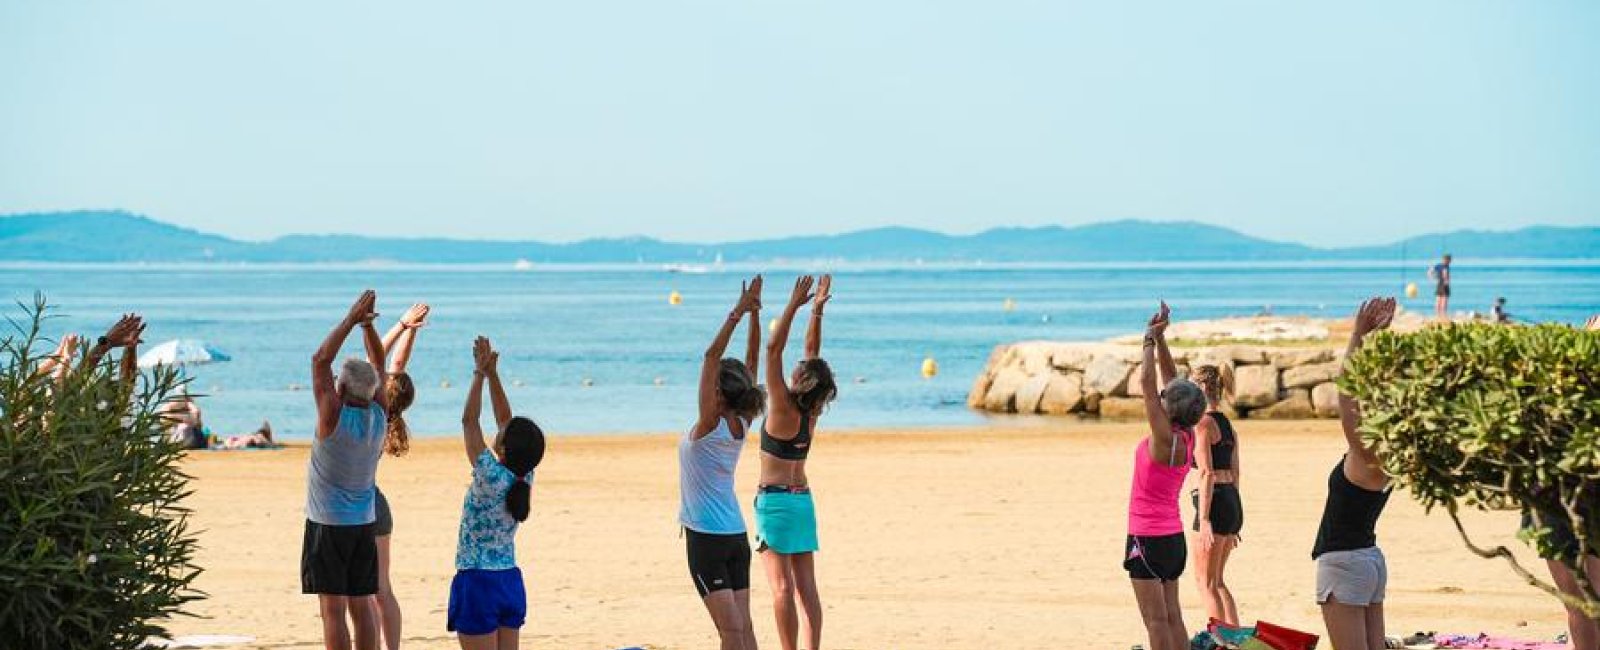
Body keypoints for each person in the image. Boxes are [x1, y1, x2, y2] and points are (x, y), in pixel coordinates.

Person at [303, 290, 391, 650]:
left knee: (332, 610)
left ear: (340, 387)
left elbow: (320, 359)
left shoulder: (332, 417)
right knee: (362, 604)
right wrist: (368, 327)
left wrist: (351, 320)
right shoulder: (379, 416)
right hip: (363, 523)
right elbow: (379, 365)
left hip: (328, 524)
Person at [681, 277, 765, 650]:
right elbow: (750, 365)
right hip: (735, 535)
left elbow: (710, 357)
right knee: (743, 629)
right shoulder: (741, 422)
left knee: (732, 633)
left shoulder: (710, 424)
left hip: (708, 540)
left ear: (717, 392)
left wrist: (739, 312)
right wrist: (754, 315)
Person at [448, 336, 545, 650]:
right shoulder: (524, 474)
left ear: (504, 446)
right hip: (508, 581)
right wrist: (493, 374)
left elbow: (469, 421)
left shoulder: (490, 474)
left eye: (502, 433)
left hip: (477, 581)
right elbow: (506, 420)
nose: (499, 428)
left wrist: (478, 373)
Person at [757, 275, 838, 650]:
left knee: (781, 588)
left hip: (775, 503)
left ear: (800, 379)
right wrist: (817, 310)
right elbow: (811, 353)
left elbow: (773, 351)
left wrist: (793, 305)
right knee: (808, 589)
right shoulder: (811, 413)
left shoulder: (783, 408)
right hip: (803, 499)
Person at [1314, 297, 1397, 650]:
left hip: (1345, 562)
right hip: (1369, 559)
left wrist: (1357, 334)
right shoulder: (1395, 450)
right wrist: (1373, 338)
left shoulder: (1366, 452)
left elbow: (1346, 394)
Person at [1125, 301, 1203, 650]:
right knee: (1173, 618)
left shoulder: (1162, 440)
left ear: (1169, 409)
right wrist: (1161, 339)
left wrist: (1146, 339)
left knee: (1155, 623)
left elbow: (1147, 382)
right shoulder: (1189, 436)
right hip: (1172, 540)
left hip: (1147, 538)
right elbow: (1173, 383)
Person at [371, 302, 430, 650]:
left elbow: (376, 361)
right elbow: (395, 365)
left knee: (361, 592)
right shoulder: (388, 415)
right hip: (379, 506)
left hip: (360, 506)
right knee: (382, 589)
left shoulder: (371, 411)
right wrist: (410, 331)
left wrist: (400, 325)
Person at [1189, 364, 1243, 626]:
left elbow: (1207, 473)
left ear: (1200, 389)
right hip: (1231, 501)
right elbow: (1236, 473)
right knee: (1218, 581)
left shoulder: (1203, 424)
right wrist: (1235, 520)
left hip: (1214, 502)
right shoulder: (1228, 425)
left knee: (1205, 582)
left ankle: (1218, 642)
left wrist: (1205, 518)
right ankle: (1237, 639)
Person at [1429, 254, 1452, 320]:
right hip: (1444, 284)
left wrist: (1433, 277)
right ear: (1447, 260)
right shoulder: (1445, 266)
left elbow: (1430, 271)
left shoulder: (1440, 265)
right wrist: (1446, 280)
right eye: (1449, 260)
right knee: (1443, 300)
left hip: (1439, 283)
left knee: (1439, 299)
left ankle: (1438, 315)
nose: (1449, 261)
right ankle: (1442, 315)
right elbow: (1445, 274)